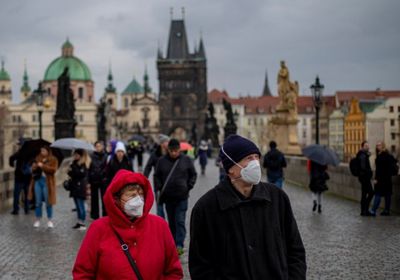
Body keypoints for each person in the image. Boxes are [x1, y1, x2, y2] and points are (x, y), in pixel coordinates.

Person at [189, 135, 306, 279]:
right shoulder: (206, 208)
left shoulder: (277, 198)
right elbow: (200, 266)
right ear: (230, 167)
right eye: (249, 158)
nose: (255, 163)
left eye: (256, 157)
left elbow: (295, 250)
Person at [72, 169, 183, 279]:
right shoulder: (98, 228)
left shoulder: (160, 226)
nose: (138, 200)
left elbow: (173, 271)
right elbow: (83, 273)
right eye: (132, 195)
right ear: (116, 199)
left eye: (141, 195)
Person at [154, 138, 197, 256]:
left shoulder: (186, 160)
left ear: (179, 150)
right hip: (168, 197)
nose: (174, 153)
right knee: (172, 222)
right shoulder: (161, 161)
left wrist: (188, 186)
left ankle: (179, 244)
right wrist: (159, 187)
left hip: (182, 196)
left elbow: (193, 174)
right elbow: (156, 176)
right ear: (168, 150)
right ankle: (172, 243)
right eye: (171, 151)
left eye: (176, 151)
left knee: (180, 220)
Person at [28, 146, 59, 228]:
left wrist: (43, 166)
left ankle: (49, 220)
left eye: (44, 151)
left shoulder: (53, 159)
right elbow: (33, 170)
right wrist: (34, 167)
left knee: (48, 201)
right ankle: (38, 219)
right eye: (41, 151)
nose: (42, 152)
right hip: (38, 181)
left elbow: (53, 170)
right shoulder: (37, 158)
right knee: (38, 202)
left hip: (47, 182)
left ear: (48, 151)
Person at [144, 134, 170, 218]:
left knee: (170, 208)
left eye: (168, 142)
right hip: (158, 184)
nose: (167, 143)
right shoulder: (155, 154)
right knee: (159, 207)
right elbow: (148, 167)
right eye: (166, 142)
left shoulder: (171, 153)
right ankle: (161, 224)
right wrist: (144, 179)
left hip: (170, 183)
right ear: (161, 144)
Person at [370, 142, 398, 216]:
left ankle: (373, 210)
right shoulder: (388, 155)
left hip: (381, 179)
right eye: (377, 145)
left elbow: (379, 170)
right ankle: (386, 210)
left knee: (377, 194)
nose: (377, 146)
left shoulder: (380, 156)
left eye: (379, 145)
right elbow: (395, 161)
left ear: (383, 146)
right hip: (387, 178)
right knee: (387, 194)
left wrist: (376, 179)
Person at [9, 138, 32, 215]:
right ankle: (27, 209)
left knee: (16, 194)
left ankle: (16, 210)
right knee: (27, 194)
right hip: (28, 177)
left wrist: (12, 165)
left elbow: (11, 158)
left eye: (19, 144)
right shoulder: (30, 154)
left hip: (19, 177)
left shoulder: (19, 153)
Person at [88, 141, 107, 219]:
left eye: (99, 146)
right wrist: (89, 180)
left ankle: (105, 215)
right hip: (94, 179)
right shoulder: (91, 156)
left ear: (102, 147)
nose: (98, 148)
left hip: (103, 180)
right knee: (94, 199)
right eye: (97, 146)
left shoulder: (106, 156)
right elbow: (89, 168)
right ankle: (95, 216)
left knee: (104, 199)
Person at [356, 141, 374, 216]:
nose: (367, 147)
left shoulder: (362, 154)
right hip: (365, 177)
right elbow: (363, 167)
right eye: (366, 146)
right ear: (362, 146)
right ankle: (365, 209)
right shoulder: (363, 155)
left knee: (364, 194)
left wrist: (368, 155)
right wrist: (370, 171)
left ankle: (363, 211)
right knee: (371, 192)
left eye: (368, 145)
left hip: (362, 177)